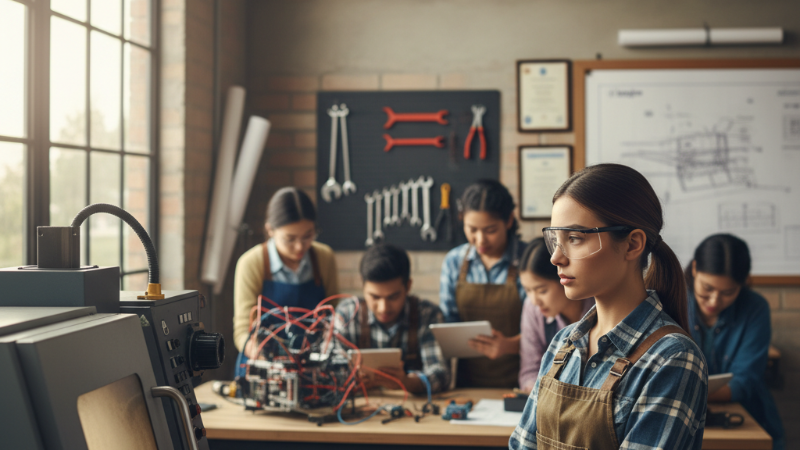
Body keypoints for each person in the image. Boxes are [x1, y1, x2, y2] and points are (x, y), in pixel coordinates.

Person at [510, 163, 708, 450]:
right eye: (555, 239)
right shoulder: (561, 346)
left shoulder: (672, 358)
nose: (556, 258)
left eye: (575, 238)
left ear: (632, 245)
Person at [686, 233, 785, 450]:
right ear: (694, 269)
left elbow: (745, 380)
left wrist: (690, 394)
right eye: (707, 289)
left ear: (742, 283)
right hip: (682, 414)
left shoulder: (755, 308)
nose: (714, 301)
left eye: (728, 292)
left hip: (743, 414)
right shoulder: (672, 299)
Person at [233, 187, 339, 377]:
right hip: (263, 369)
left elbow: (334, 316)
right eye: (290, 239)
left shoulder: (324, 257)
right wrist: (263, 358)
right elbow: (242, 330)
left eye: (308, 236)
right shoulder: (251, 263)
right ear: (270, 230)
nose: (300, 246)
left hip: (312, 367)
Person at [439, 179, 526, 388]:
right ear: (461, 220)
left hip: (523, 381)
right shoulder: (454, 262)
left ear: (509, 221)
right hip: (467, 383)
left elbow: (550, 331)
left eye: (490, 230)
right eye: (472, 229)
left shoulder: (528, 260)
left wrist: (510, 345)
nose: (480, 240)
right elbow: (448, 322)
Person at [334, 244, 450, 394]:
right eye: (375, 297)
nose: (384, 308)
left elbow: (441, 374)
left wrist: (407, 382)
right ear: (362, 285)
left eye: (393, 297)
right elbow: (328, 371)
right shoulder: (347, 315)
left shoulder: (427, 314)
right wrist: (349, 380)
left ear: (408, 286)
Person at [518, 238, 593, 392]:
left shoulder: (597, 307)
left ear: (563, 278)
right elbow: (530, 372)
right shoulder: (532, 308)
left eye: (542, 291)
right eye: (527, 290)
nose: (534, 300)